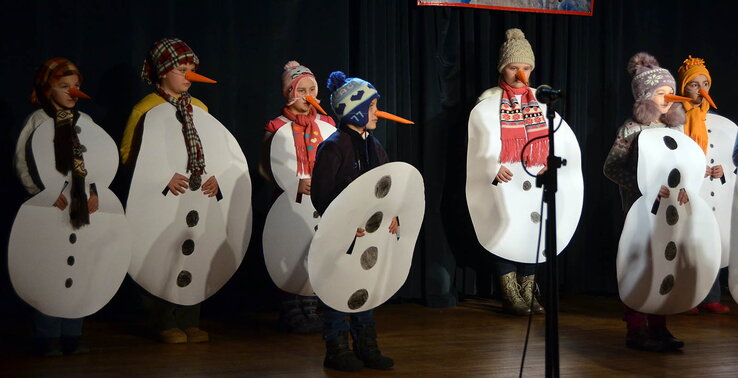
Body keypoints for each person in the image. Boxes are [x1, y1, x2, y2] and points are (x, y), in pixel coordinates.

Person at [120, 38, 213, 344]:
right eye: (181, 69)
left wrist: (214, 177)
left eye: (192, 69)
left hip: (194, 196)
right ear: (161, 73)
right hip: (161, 198)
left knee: (191, 254)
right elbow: (127, 154)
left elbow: (213, 150)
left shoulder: (200, 108)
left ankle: (190, 319)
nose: (189, 76)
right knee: (162, 256)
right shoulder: (146, 108)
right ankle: (162, 320)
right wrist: (161, 176)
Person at [310, 71, 396, 371]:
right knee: (338, 289)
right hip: (341, 236)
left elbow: (388, 184)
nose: (377, 112)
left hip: (369, 235)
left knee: (364, 287)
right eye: (372, 106)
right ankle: (336, 348)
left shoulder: (374, 145)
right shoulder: (333, 147)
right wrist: (345, 223)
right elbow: (321, 196)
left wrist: (394, 214)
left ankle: (367, 346)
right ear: (355, 109)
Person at [603, 52, 687, 352]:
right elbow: (612, 167)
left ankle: (660, 327)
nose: (668, 98)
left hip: (670, 214)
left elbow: (682, 170)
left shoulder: (676, 130)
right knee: (638, 268)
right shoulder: (631, 130)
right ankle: (636, 329)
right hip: (639, 213)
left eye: (670, 93)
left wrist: (686, 187)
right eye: (660, 93)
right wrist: (644, 189)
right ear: (645, 96)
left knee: (664, 266)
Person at [13, 57, 95, 356]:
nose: (72, 92)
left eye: (76, 86)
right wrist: (40, 193)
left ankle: (72, 333)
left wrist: (95, 191)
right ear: (48, 90)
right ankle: (46, 335)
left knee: (79, 266)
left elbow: (97, 163)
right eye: (64, 86)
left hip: (79, 207)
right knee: (49, 269)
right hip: (48, 209)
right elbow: (23, 162)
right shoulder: (38, 121)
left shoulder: (85, 124)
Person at [260, 61, 335, 333]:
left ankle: (311, 305)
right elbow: (266, 166)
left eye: (312, 89)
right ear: (288, 92)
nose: (308, 96)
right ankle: (291, 308)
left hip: (320, 201)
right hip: (289, 201)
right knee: (290, 249)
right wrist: (293, 183)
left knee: (313, 249)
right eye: (301, 90)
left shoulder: (326, 124)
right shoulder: (277, 126)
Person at [677, 55, 733, 314]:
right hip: (688, 193)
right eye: (693, 85)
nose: (701, 90)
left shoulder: (726, 127)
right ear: (683, 88)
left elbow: (733, 162)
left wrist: (724, 171)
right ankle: (688, 297)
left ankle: (712, 296)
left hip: (715, 195)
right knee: (687, 243)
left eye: (705, 84)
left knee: (713, 244)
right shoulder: (675, 124)